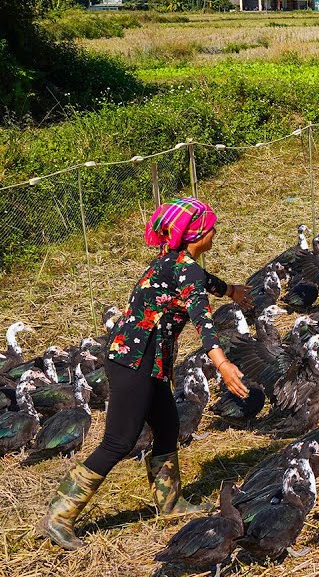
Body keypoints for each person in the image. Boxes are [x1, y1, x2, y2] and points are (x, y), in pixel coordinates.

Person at [39, 197, 254, 550]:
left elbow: (202, 282)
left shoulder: (174, 260)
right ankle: (59, 515)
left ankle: (169, 503)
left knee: (167, 426)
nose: (215, 232)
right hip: (134, 363)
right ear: (198, 235)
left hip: (148, 361)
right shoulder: (186, 269)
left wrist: (231, 290)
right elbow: (202, 319)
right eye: (211, 227)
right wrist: (223, 364)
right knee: (118, 441)